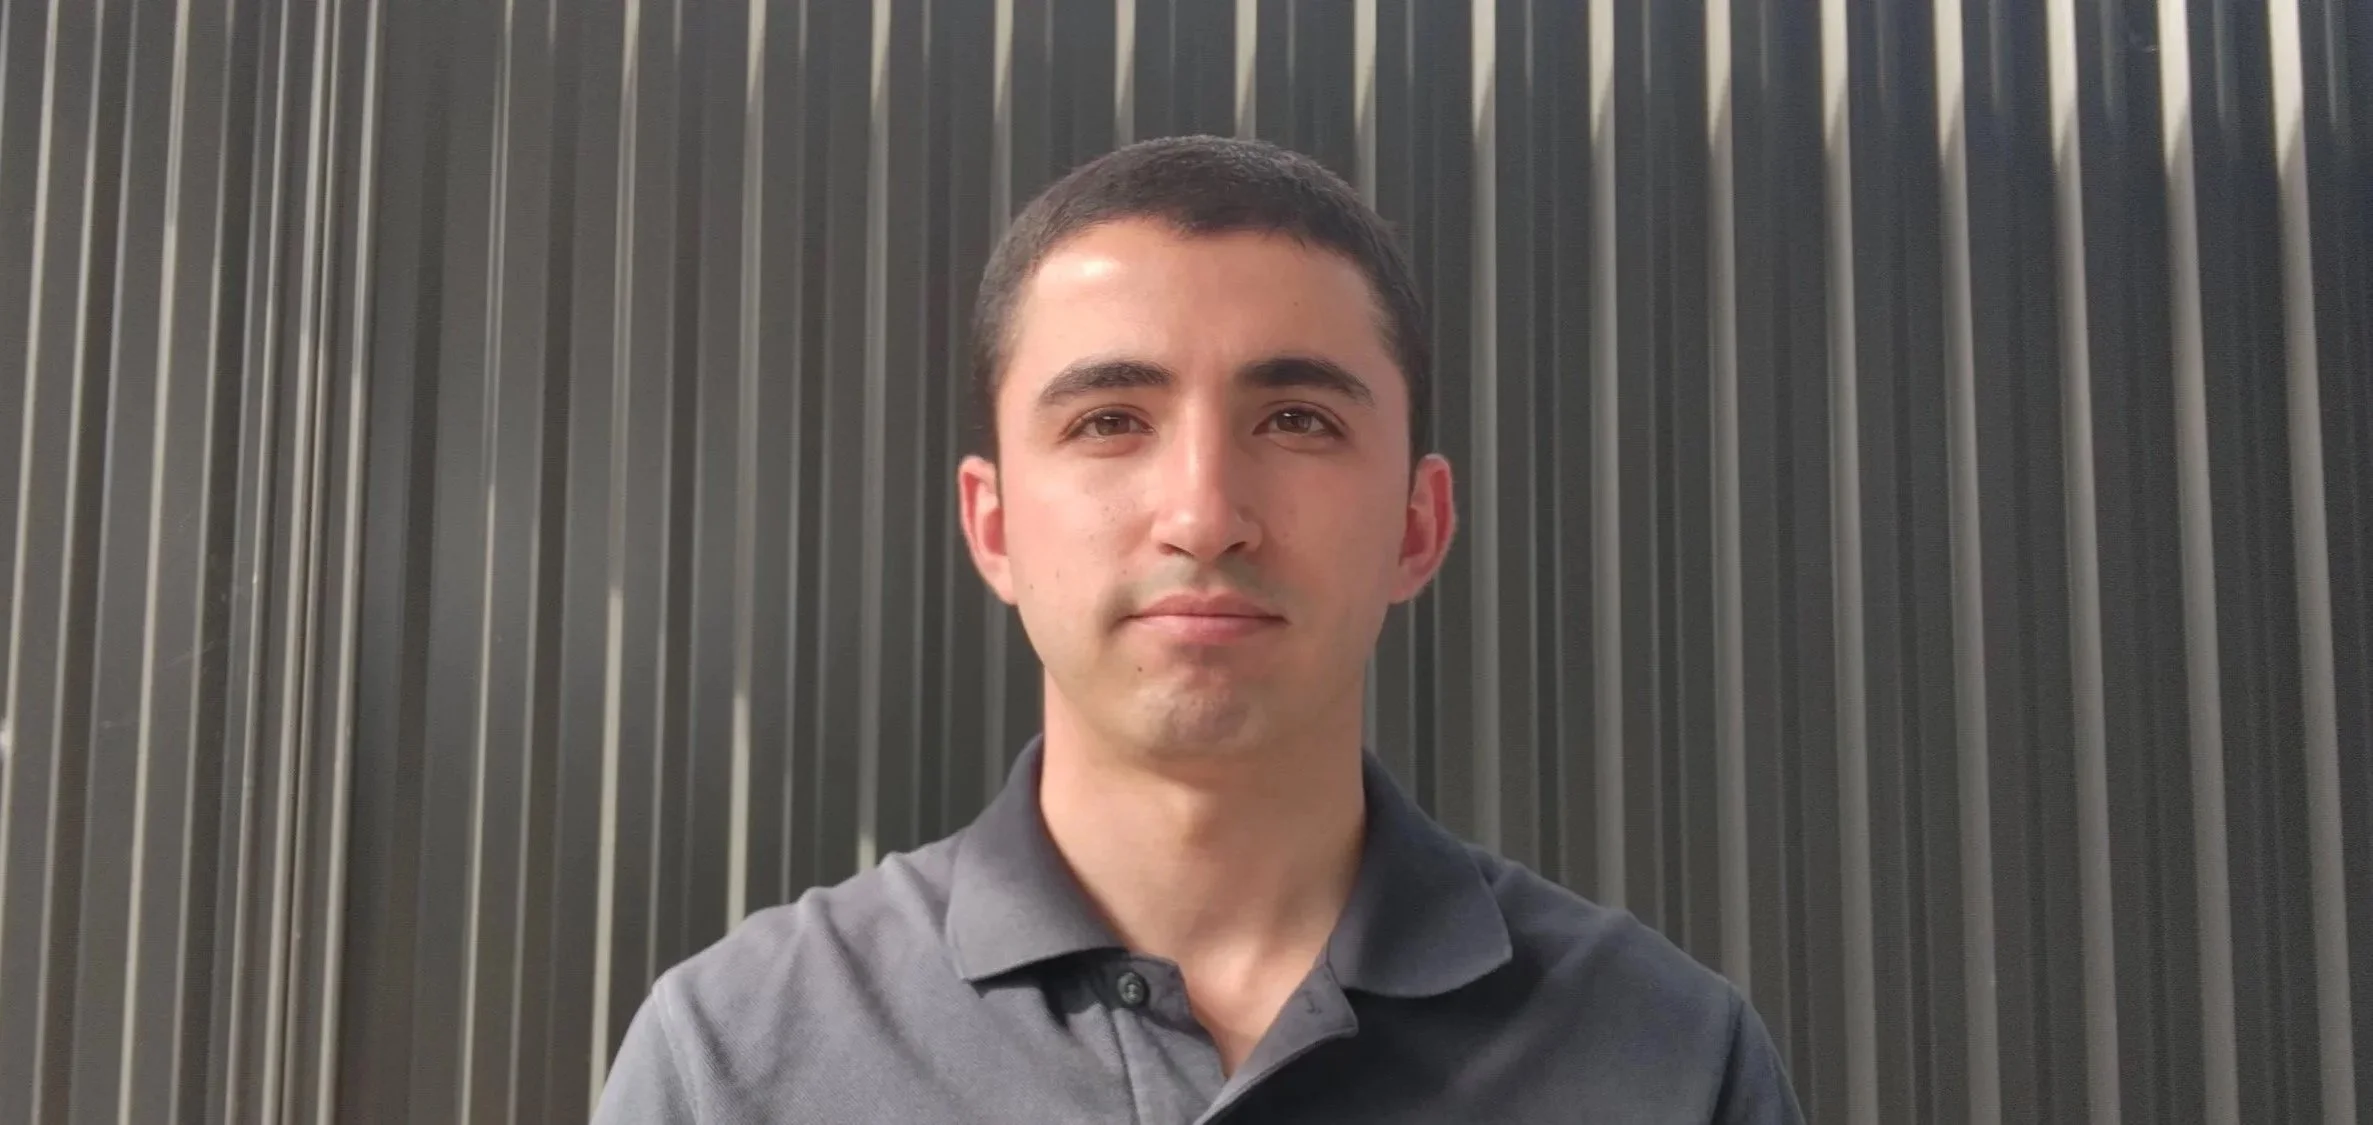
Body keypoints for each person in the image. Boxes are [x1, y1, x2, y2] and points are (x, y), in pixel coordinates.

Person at [592, 135, 1802, 1124]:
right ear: (993, 525)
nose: (1205, 515)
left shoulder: (1671, 1060)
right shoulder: (735, 1057)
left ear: (1417, 526)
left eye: (1298, 421)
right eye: (1110, 421)